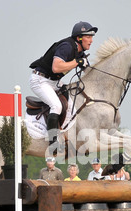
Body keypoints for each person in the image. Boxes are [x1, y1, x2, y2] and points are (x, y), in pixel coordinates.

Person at [29, 21, 98, 154]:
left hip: (53, 82)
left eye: (92, 37)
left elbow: (88, 72)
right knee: (57, 106)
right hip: (40, 80)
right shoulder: (66, 46)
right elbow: (56, 67)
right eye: (88, 37)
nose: (91, 40)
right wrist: (77, 62)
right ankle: (53, 143)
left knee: (72, 102)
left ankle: (67, 136)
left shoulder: (80, 52)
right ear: (79, 38)